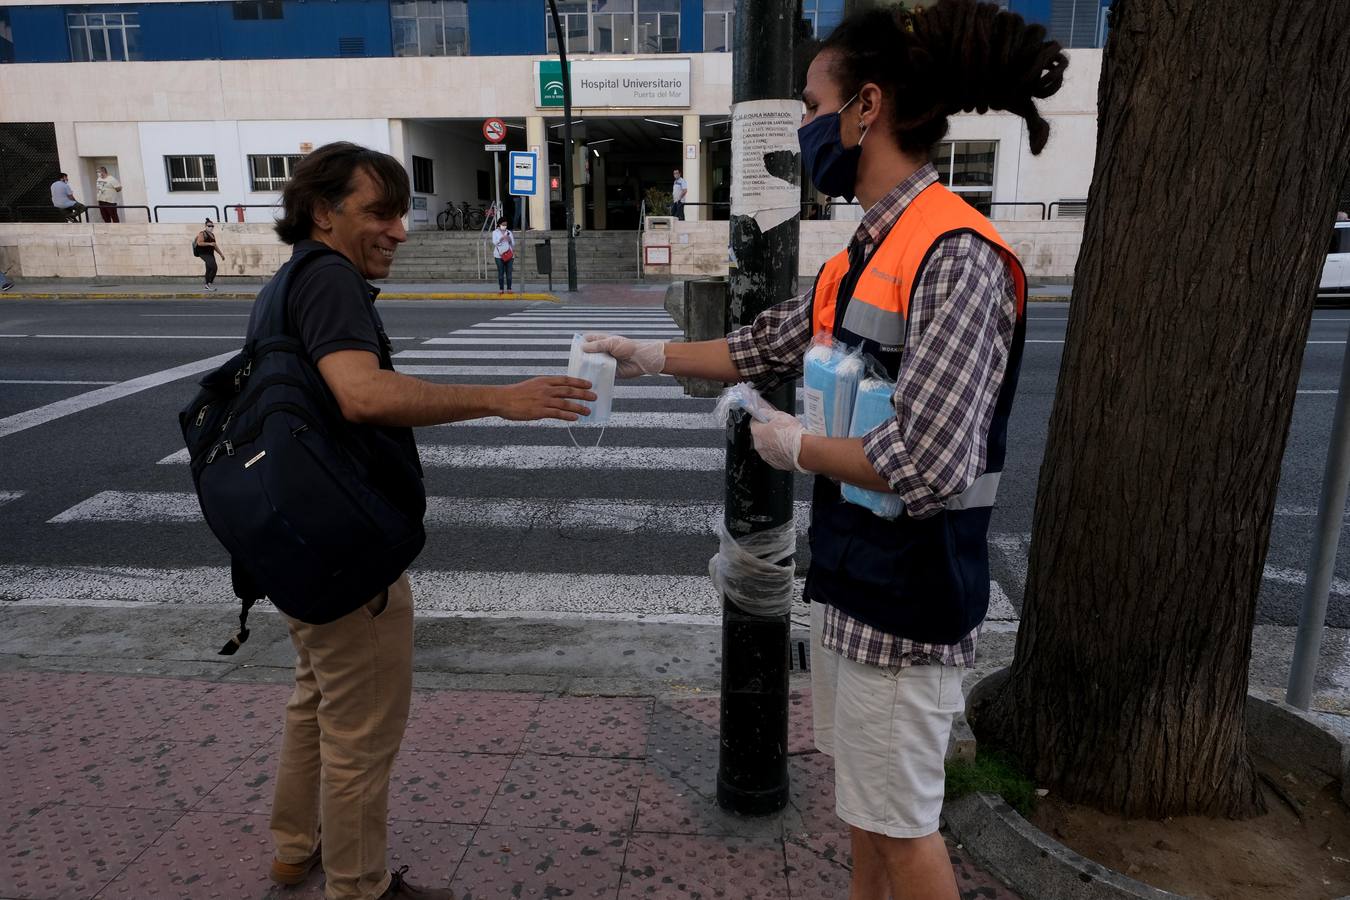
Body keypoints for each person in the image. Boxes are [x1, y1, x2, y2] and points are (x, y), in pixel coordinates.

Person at [585, 2, 1064, 897]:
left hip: (911, 601)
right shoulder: (859, 254)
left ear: (866, 107)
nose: (804, 125)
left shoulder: (955, 254)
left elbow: (930, 462)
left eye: (812, 103)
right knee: (869, 820)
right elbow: (760, 345)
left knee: (905, 834)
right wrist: (644, 355)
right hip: (853, 585)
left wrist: (796, 447)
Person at [259, 141, 593, 900]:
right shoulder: (332, 281)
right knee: (360, 736)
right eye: (379, 211)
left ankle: (292, 850)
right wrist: (500, 397)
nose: (400, 230)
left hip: (292, 541)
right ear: (323, 213)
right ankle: (360, 886)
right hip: (346, 554)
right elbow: (362, 396)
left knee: (314, 701)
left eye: (402, 210)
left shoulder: (286, 284)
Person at [193, 218, 224, 292]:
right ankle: (209, 284)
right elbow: (200, 243)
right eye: (209, 226)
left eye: (212, 226)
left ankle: (207, 285)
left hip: (210, 254)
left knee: (209, 269)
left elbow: (215, 246)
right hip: (203, 253)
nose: (211, 227)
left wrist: (221, 254)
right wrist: (209, 243)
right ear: (205, 226)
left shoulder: (212, 235)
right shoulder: (202, 233)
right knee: (214, 267)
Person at [491, 216, 515, 294]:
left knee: (509, 273)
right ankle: (501, 289)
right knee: (500, 272)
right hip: (499, 255)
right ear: (499, 224)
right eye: (503, 224)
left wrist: (509, 240)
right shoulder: (495, 232)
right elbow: (495, 242)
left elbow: (513, 244)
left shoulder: (509, 232)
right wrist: (501, 239)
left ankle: (509, 288)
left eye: (506, 225)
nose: (504, 226)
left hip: (509, 255)